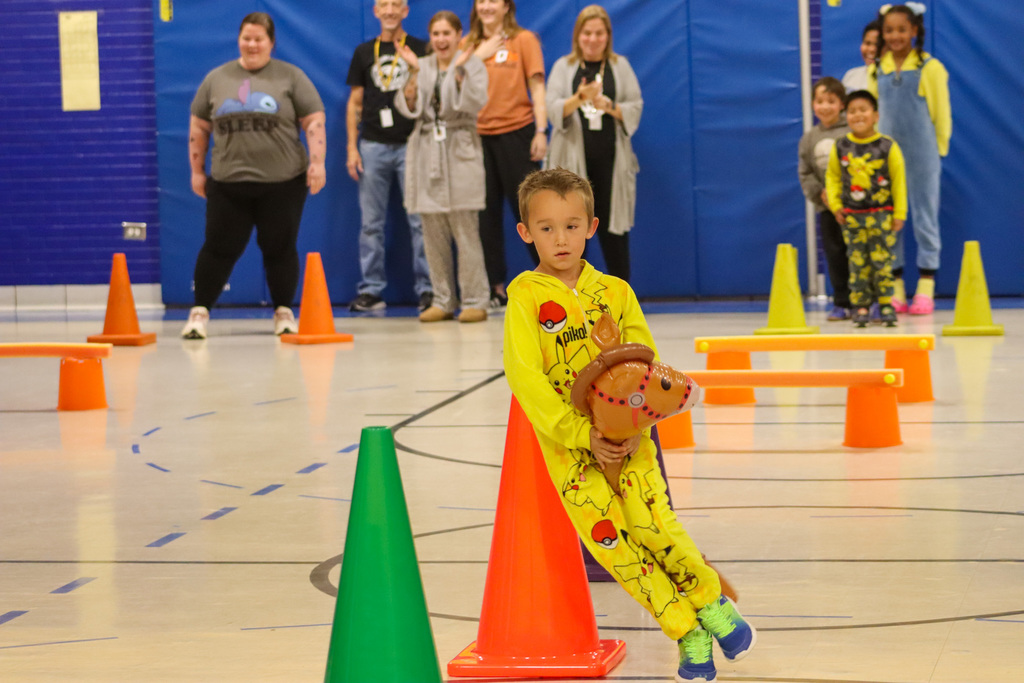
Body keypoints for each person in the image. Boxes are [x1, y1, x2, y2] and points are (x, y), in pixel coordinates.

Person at [503, 168, 756, 683]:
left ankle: (713, 606)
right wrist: (584, 436)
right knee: (614, 546)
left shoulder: (616, 292)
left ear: (593, 226)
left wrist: (626, 425)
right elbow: (525, 378)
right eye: (547, 228)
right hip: (570, 452)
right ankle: (686, 630)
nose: (561, 239)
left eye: (572, 226)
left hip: (633, 442)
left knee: (654, 525)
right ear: (525, 232)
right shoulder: (524, 297)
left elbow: (645, 363)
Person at [182, 12, 326, 340]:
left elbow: (314, 121)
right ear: (239, 40)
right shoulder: (216, 79)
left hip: (283, 183)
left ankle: (284, 313)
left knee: (280, 247)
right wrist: (196, 170)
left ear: (271, 43)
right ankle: (199, 312)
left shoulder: (291, 77)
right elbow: (199, 127)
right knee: (218, 248)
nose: (252, 44)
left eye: (259, 39)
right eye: (246, 38)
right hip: (228, 183)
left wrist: (318, 163)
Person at [394, 11, 490, 323]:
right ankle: (443, 299)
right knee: (431, 231)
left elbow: (475, 101)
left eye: (447, 33)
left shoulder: (471, 63)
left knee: (466, 231)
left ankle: (475, 299)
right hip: (426, 150)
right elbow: (408, 106)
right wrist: (412, 73)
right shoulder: (421, 66)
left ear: (459, 35)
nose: (441, 40)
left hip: (459, 145)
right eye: (435, 34)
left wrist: (459, 72)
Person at [345, 0, 433, 313]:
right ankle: (371, 289)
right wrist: (352, 147)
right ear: (375, 11)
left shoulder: (422, 48)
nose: (391, 10)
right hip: (372, 145)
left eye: (397, 4)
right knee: (371, 223)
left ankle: (429, 289)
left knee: (420, 221)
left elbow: (434, 87)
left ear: (406, 11)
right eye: (384, 4)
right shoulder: (363, 52)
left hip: (413, 143)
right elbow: (355, 102)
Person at [545, 4, 642, 282]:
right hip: (573, 165)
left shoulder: (619, 66)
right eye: (587, 33)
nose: (593, 39)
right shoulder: (565, 67)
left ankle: (622, 299)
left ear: (608, 36)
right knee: (572, 232)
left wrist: (608, 105)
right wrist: (579, 98)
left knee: (614, 233)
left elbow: (635, 107)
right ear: (578, 35)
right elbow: (552, 108)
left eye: (599, 33)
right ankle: (572, 297)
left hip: (612, 163)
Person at [461, 0, 548, 309]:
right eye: (481, 1)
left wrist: (540, 130)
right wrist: (474, 58)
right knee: (485, 216)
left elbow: (537, 87)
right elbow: (452, 84)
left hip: (517, 132)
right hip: (476, 137)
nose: (486, 6)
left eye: (492, 0)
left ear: (506, 6)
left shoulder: (523, 40)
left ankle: (550, 279)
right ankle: (495, 288)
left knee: (530, 210)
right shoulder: (468, 45)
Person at [870, 2, 951, 315]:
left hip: (923, 155)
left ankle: (926, 287)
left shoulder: (930, 67)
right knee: (891, 219)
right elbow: (874, 115)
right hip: (886, 159)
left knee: (924, 217)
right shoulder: (877, 69)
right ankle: (897, 289)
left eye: (902, 29)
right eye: (889, 30)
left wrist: (938, 149)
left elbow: (941, 114)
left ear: (914, 31)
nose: (895, 36)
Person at [825, 90, 907, 327]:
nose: (857, 115)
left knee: (882, 261)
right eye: (852, 111)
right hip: (852, 217)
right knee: (857, 263)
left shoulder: (888, 146)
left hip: (882, 215)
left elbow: (899, 180)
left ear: (875, 115)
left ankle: (884, 304)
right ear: (846, 115)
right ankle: (860, 305)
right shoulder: (840, 146)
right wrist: (836, 206)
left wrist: (899, 213)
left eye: (863, 110)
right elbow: (832, 177)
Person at [798, 76, 852, 321]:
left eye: (831, 101)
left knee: (861, 253)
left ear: (841, 104)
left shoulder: (851, 131)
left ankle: (865, 301)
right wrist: (821, 193)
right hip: (827, 209)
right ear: (813, 105)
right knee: (835, 254)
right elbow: (805, 171)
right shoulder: (809, 138)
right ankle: (841, 302)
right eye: (820, 101)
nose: (825, 106)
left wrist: (847, 196)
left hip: (856, 208)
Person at [841, 20, 880, 92]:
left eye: (878, 45)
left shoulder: (894, 79)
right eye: (867, 43)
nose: (872, 49)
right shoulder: (851, 76)